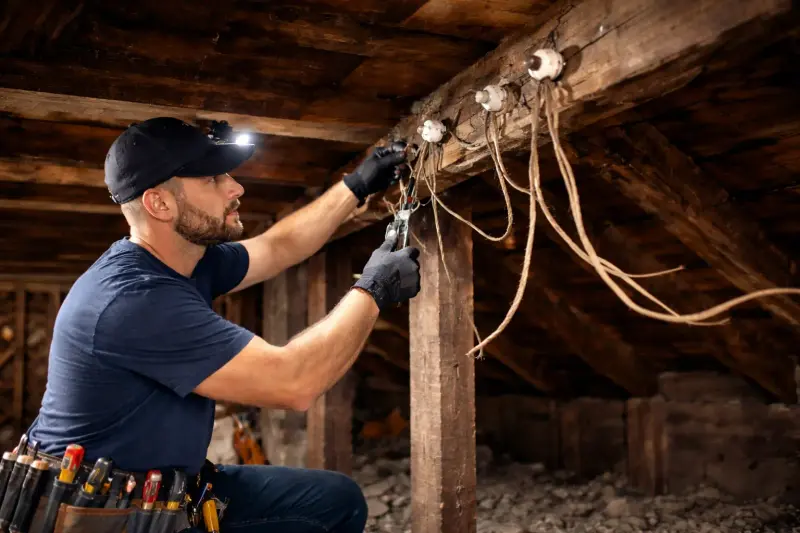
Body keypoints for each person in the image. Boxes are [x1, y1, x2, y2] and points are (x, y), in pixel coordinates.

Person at [25, 117, 421, 533]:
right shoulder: (134, 299)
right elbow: (294, 383)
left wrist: (355, 186)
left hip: (173, 491)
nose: (237, 188)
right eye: (213, 179)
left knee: (334, 502)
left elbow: (276, 247)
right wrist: (374, 289)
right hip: (104, 517)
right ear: (159, 204)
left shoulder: (185, 260)